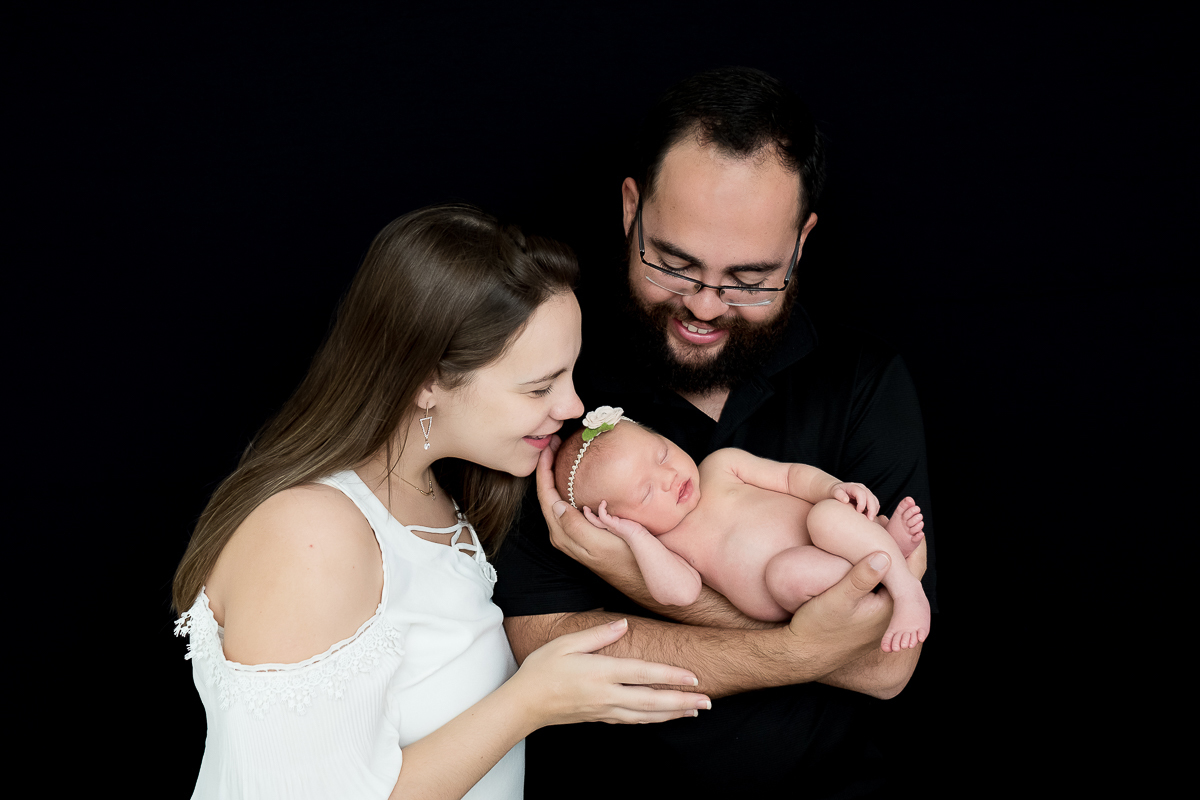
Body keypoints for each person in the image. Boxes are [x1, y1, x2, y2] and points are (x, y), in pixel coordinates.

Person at [493, 67, 936, 798]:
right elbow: (544, 644)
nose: (704, 305)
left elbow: (888, 667)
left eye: (751, 277)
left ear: (800, 244)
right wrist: (812, 644)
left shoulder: (861, 380)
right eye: (675, 263)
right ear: (631, 207)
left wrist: (653, 592)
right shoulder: (558, 386)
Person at [171, 205, 711, 800]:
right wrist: (530, 702)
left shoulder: (441, 500)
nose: (573, 407)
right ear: (426, 380)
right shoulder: (310, 534)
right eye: (540, 386)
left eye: (570, 375)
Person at [555, 408, 929, 651]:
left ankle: (904, 587)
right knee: (786, 574)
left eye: (662, 454)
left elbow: (789, 476)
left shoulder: (720, 466)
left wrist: (832, 488)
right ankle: (881, 559)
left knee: (826, 517)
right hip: (801, 587)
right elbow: (681, 592)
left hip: (834, 533)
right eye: (647, 492)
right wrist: (636, 539)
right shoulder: (663, 543)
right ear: (622, 520)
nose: (669, 477)